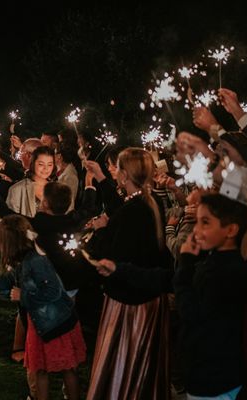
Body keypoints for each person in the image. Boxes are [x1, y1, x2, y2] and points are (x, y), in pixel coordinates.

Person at [0, 215, 86, 400]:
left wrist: (24, 295)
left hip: (57, 323)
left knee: (67, 369)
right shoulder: (23, 259)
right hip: (41, 323)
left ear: (10, 242)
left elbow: (53, 291)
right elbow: (9, 280)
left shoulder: (35, 261)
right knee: (41, 369)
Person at [85, 147, 171, 400]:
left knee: (123, 359)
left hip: (130, 303)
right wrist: (101, 178)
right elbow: (122, 207)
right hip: (149, 298)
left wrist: (100, 230)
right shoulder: (150, 201)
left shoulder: (133, 211)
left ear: (125, 175)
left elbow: (114, 254)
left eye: (117, 169)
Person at [175, 194, 247, 399]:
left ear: (231, 230)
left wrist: (186, 264)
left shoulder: (229, 272)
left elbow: (190, 311)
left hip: (215, 378)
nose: (196, 230)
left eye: (205, 222)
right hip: (208, 373)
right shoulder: (213, 261)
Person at [6, 146, 55, 218]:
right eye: (41, 164)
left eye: (50, 164)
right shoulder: (17, 189)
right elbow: (11, 221)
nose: (46, 168)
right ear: (33, 163)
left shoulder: (57, 189)